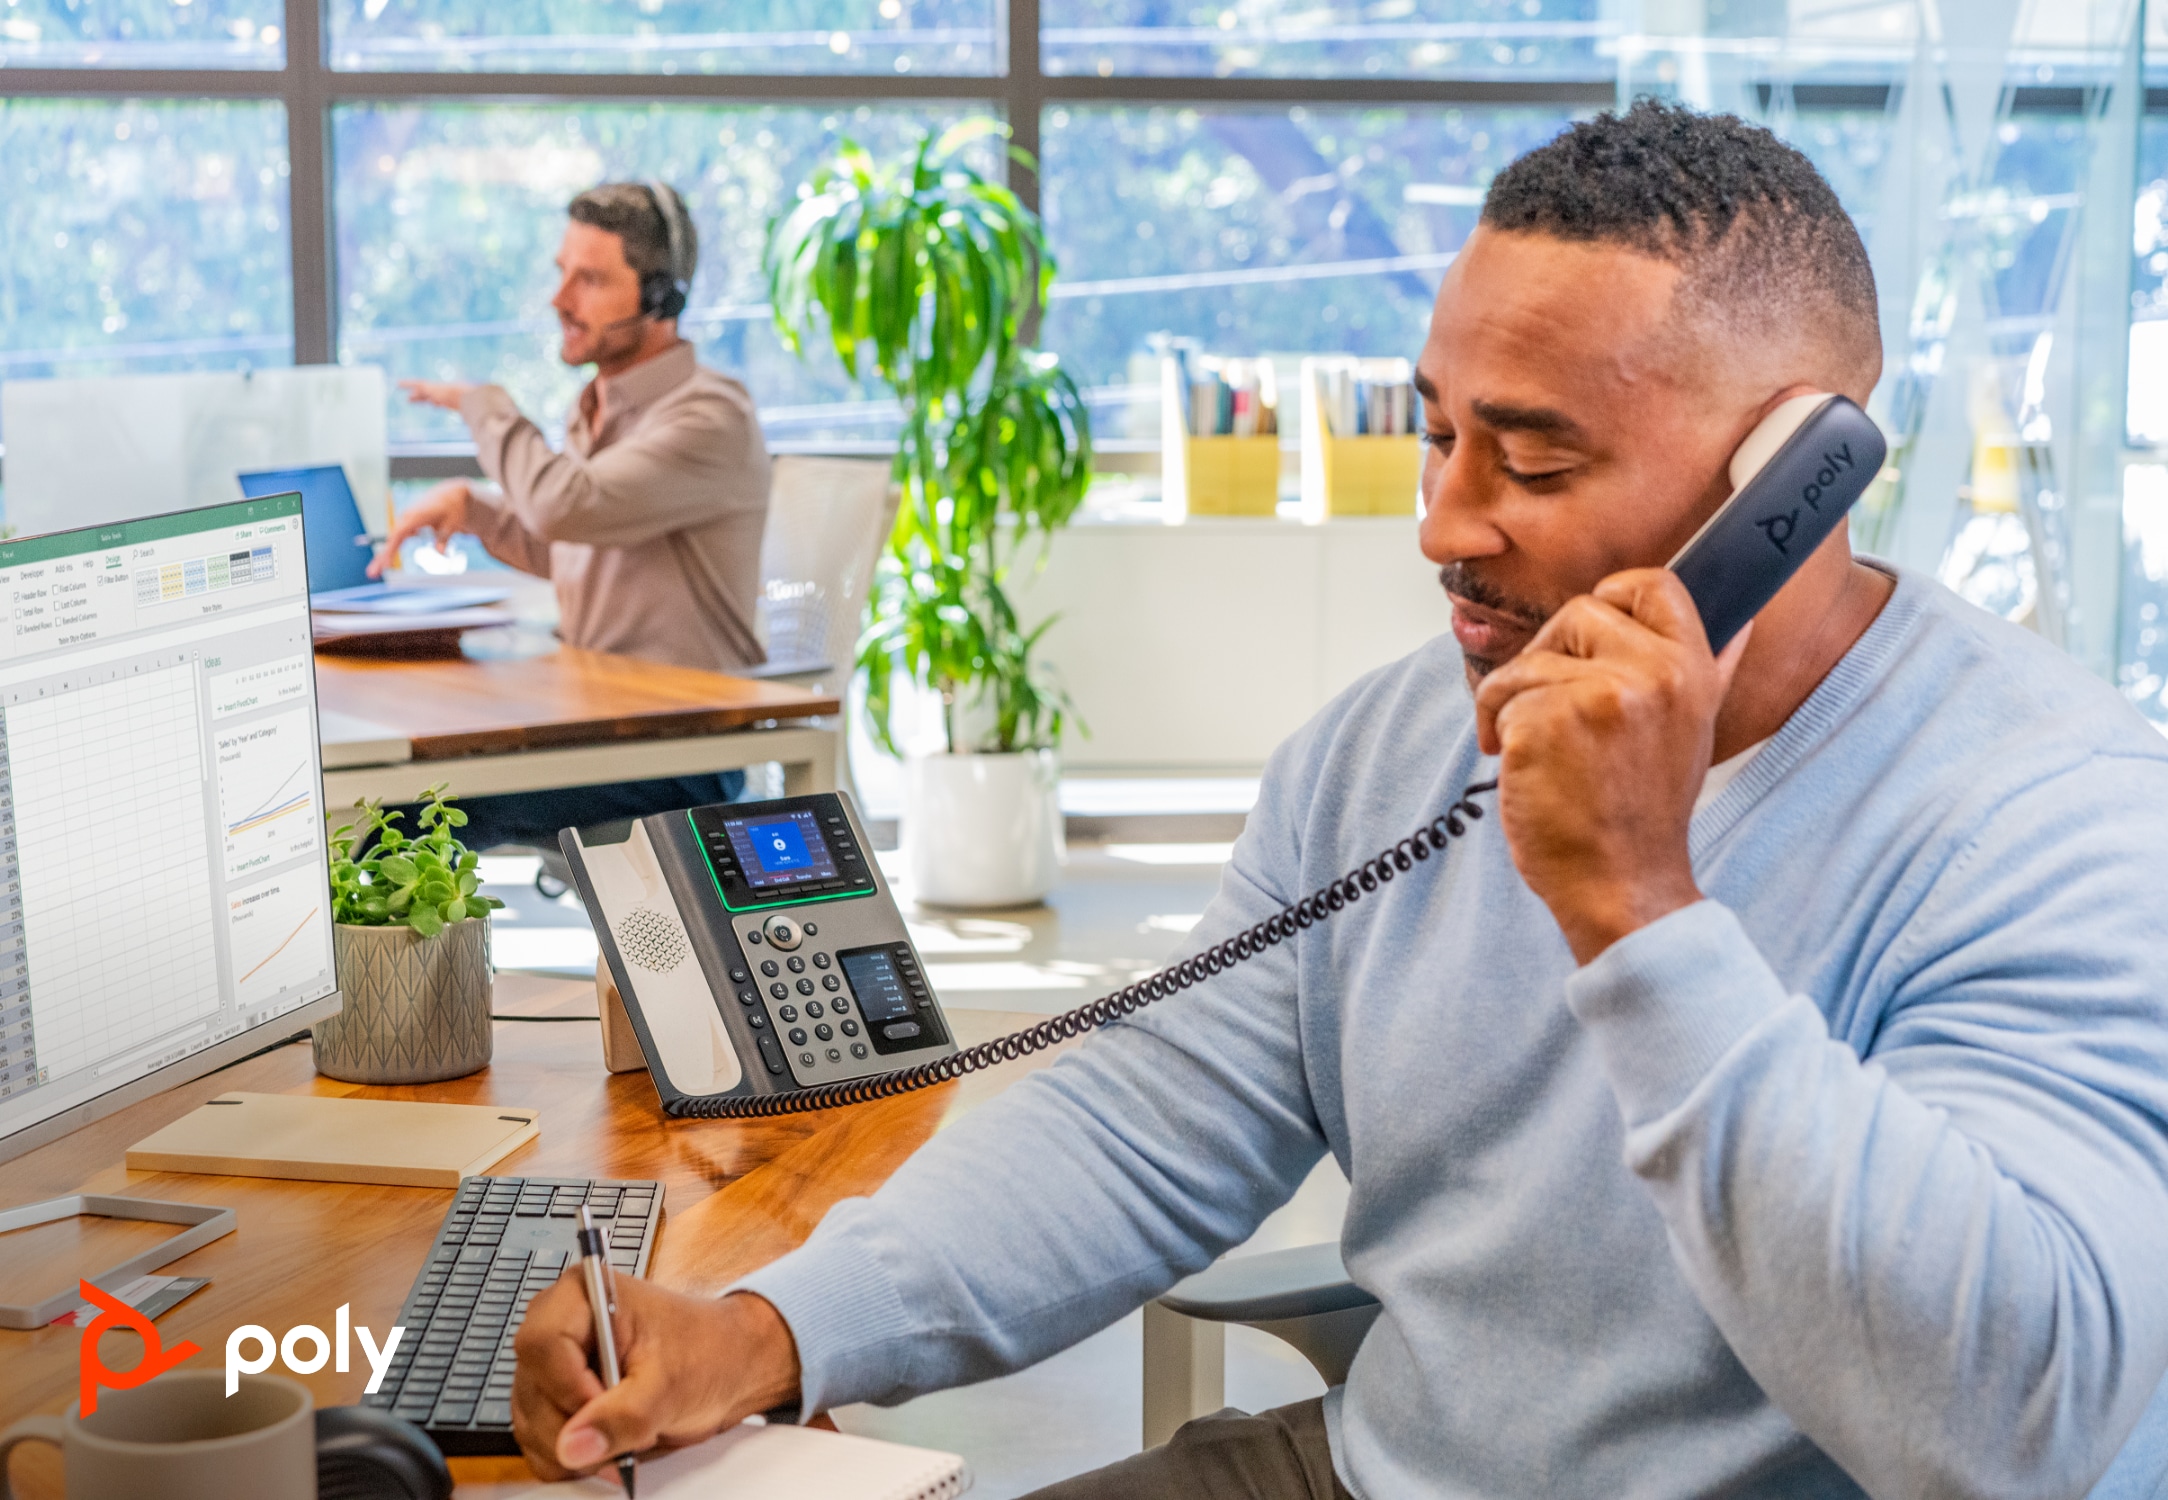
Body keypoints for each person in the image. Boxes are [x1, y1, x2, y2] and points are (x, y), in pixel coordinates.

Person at [509, 104, 2168, 1498]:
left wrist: (1637, 908)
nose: (1442, 525)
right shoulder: (1390, 751)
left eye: (1528, 463)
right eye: (1434, 438)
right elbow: (1147, 1123)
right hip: (1380, 1465)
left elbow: (2008, 1419)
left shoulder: (2054, 814)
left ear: (1789, 488)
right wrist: (773, 1328)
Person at [380, 181, 773, 850]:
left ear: (659, 297)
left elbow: (566, 506)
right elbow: (575, 543)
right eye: (563, 274)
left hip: (677, 753)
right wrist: (477, 510)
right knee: (396, 788)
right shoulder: (597, 407)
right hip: (598, 722)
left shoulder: (709, 417)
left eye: (590, 279)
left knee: (406, 817)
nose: (560, 300)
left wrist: (487, 406)